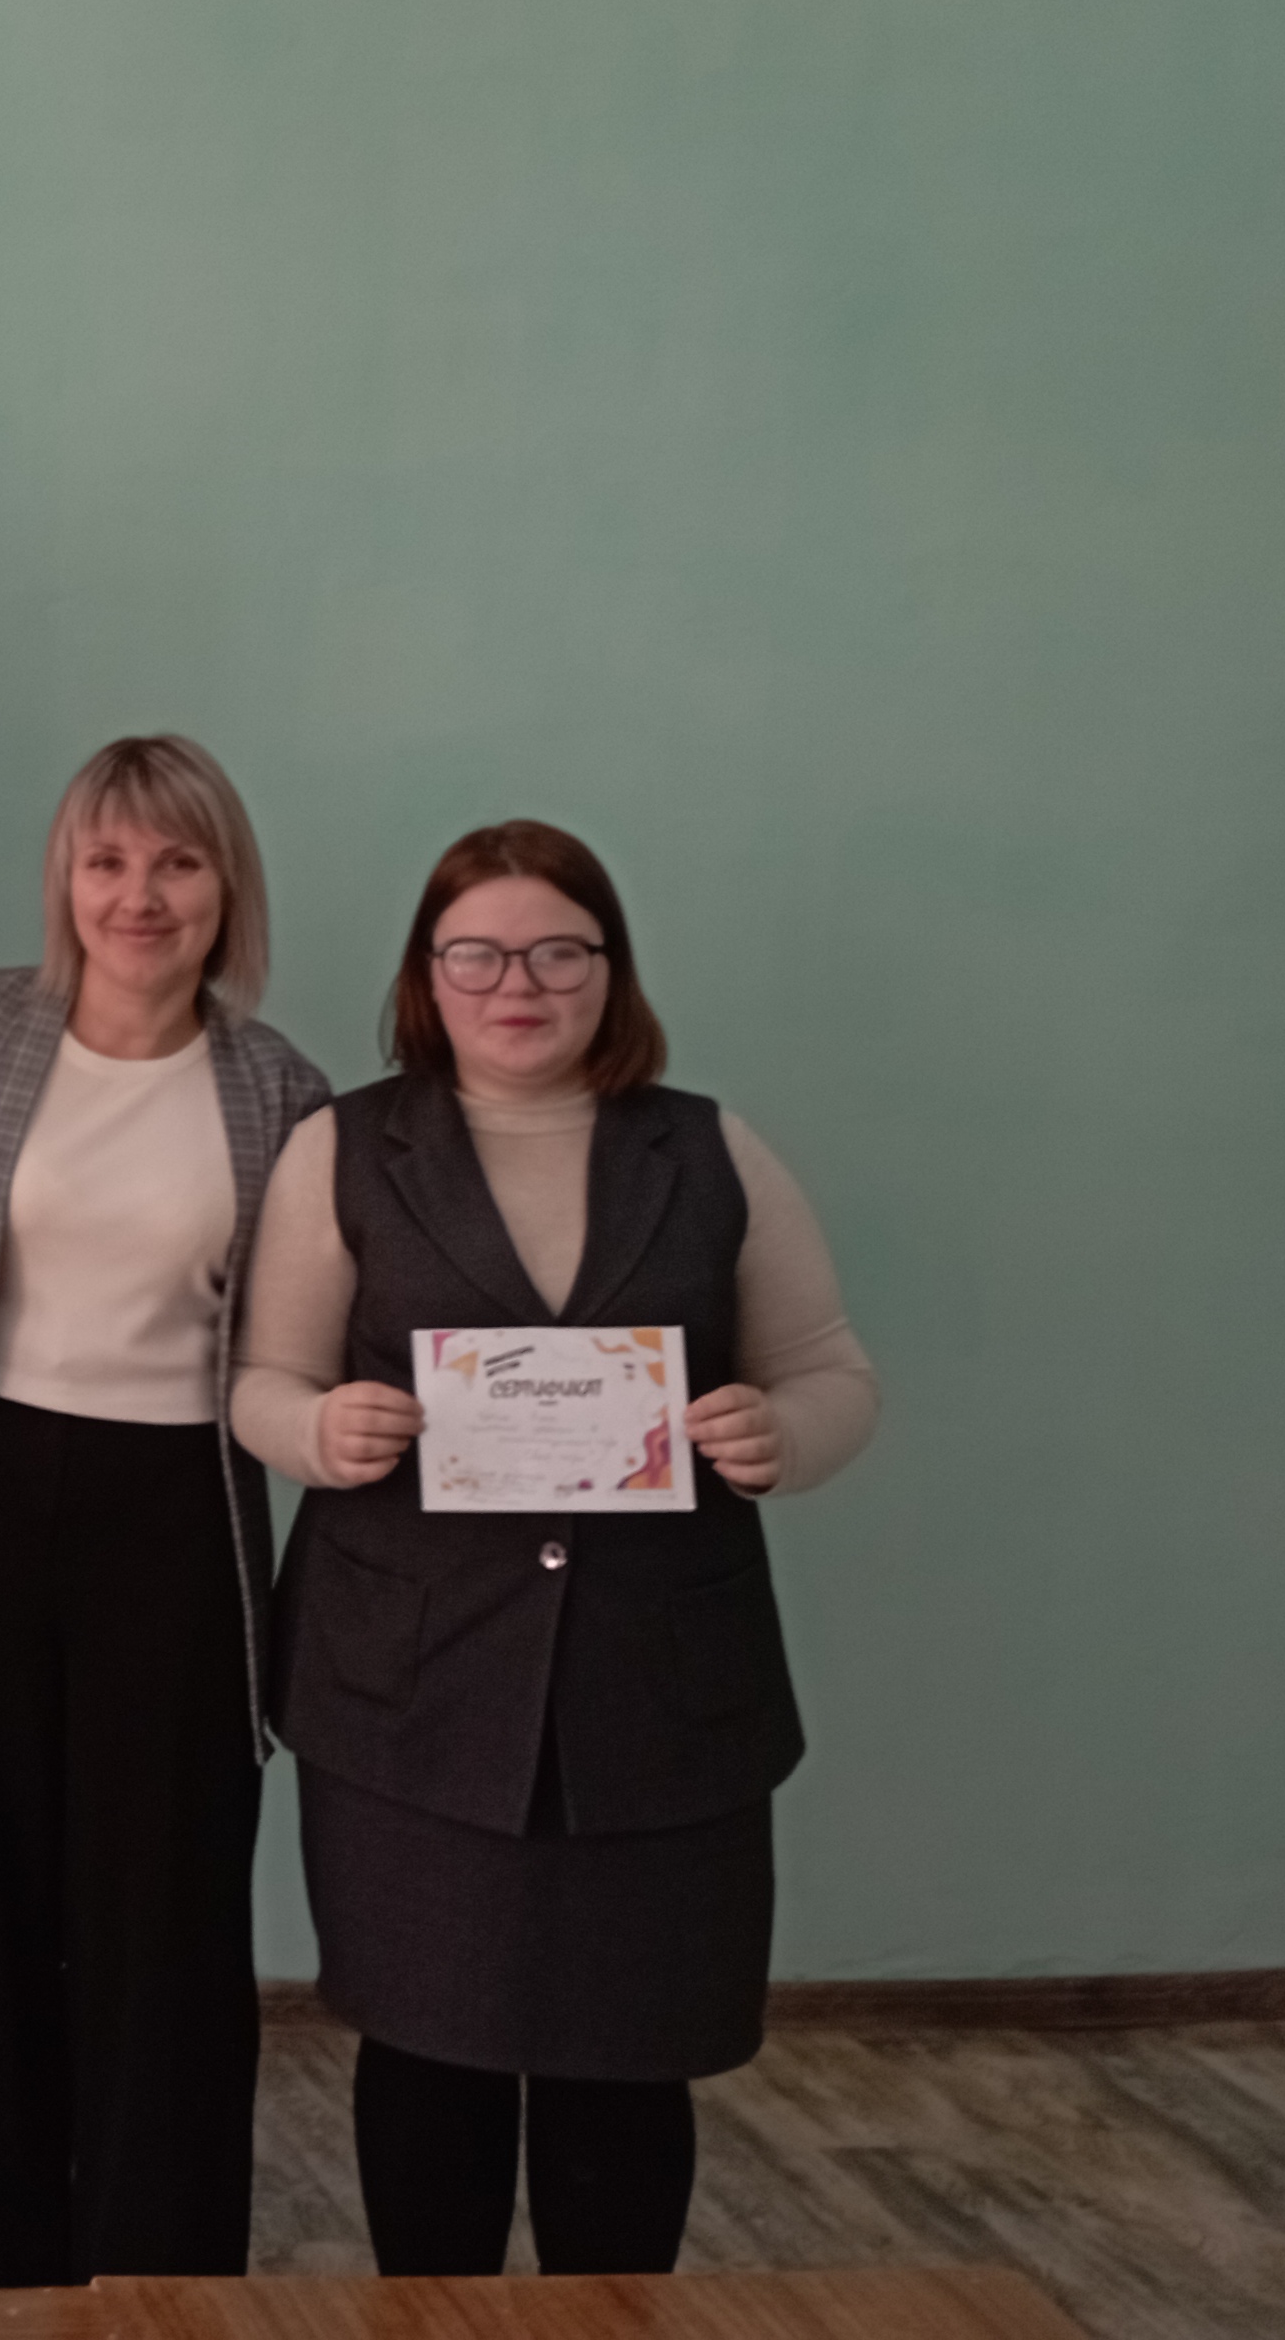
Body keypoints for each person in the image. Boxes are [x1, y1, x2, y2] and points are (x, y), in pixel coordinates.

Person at [234, 820, 880, 2278]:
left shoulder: (709, 1149)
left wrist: (783, 1434)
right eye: (475, 954)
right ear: (427, 976)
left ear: (610, 969)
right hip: (410, 1698)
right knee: (427, 2062)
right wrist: (316, 1431)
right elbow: (263, 1378)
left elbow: (832, 1371)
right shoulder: (345, 1147)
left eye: (555, 953)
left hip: (658, 1699)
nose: (515, 985)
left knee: (625, 2071)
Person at [0, 733, 330, 2284]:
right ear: (64, 877)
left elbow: (307, 1342)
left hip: (177, 1527)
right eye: (108, 860)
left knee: (167, 1928)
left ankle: (159, 2285)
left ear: (227, 887)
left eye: (179, 863)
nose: (141, 895)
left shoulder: (282, 1093)